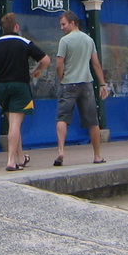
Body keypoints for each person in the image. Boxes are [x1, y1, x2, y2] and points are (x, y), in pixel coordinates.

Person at [0, 12, 49, 171]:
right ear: (16, 26)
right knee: (15, 124)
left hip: (1, 87)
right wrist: (37, 70)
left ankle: (20, 158)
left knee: (13, 123)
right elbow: (46, 60)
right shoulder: (23, 42)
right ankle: (11, 161)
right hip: (19, 85)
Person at [53, 10, 109, 166]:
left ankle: (61, 150)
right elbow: (96, 63)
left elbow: (59, 63)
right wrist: (102, 83)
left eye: (63, 24)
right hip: (86, 84)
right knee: (93, 121)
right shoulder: (89, 40)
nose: (62, 27)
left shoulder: (64, 41)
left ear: (72, 23)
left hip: (68, 83)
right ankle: (97, 155)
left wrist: (61, 77)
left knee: (62, 118)